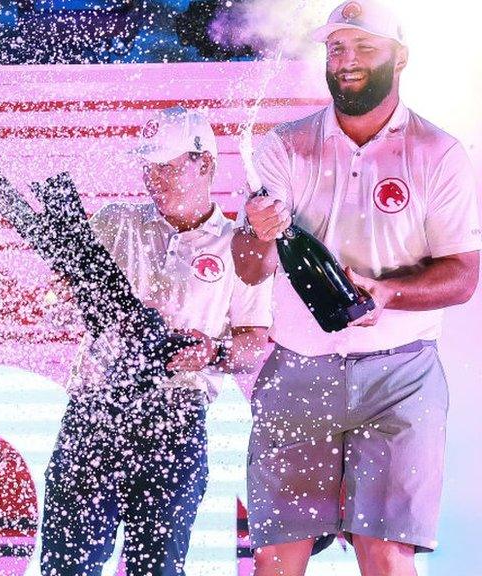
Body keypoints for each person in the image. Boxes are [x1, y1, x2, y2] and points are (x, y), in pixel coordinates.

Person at [232, 2, 481, 574]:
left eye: (364, 48)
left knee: (387, 555)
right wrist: (256, 232)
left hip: (400, 375)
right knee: (275, 558)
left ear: (401, 57)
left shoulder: (437, 153)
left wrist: (388, 293)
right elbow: (250, 268)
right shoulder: (286, 145)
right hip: (299, 369)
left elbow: (465, 274)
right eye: (337, 49)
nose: (347, 62)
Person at [40, 106, 272, 575]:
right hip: (94, 409)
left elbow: (255, 344)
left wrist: (213, 352)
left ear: (205, 164)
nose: (154, 177)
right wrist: (57, 302)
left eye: (167, 165)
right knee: (65, 566)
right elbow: (60, 298)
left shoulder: (239, 246)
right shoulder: (115, 222)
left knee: (158, 568)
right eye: (148, 165)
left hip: (175, 418)